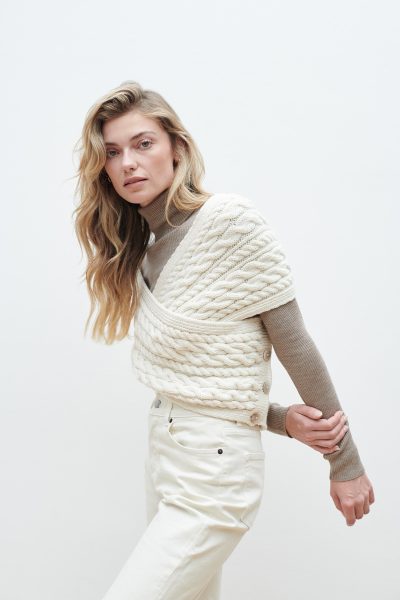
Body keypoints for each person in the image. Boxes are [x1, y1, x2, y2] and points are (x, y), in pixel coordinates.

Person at [72, 81, 375, 600]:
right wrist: (277, 418)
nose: (128, 163)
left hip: (213, 472)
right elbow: (206, 379)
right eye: (113, 152)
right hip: (166, 458)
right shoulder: (143, 252)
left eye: (143, 144)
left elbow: (294, 343)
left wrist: (345, 464)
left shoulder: (228, 222)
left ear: (177, 148)